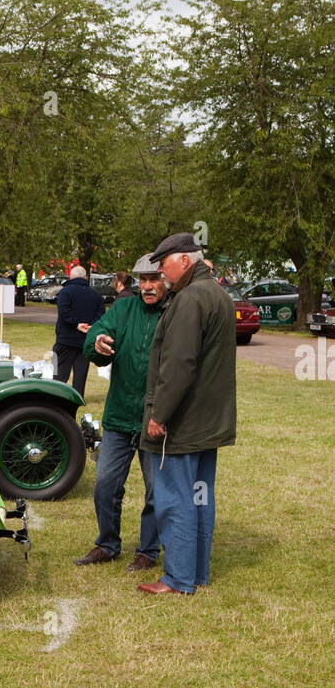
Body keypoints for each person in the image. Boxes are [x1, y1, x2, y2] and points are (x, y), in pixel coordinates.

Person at [137, 232, 237, 597]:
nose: (161, 273)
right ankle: (197, 573)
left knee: (175, 499)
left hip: (182, 426)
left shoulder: (190, 299)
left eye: (163, 264)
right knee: (199, 497)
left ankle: (178, 578)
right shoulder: (219, 295)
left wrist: (160, 415)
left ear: (183, 260)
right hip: (207, 425)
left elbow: (179, 365)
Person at [75, 254, 170, 570]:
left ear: (167, 280)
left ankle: (147, 551)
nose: (147, 286)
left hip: (156, 421)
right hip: (118, 418)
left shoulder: (174, 313)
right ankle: (107, 544)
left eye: (154, 279)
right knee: (104, 484)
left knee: (157, 491)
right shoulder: (124, 308)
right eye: (142, 280)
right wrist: (97, 341)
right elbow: (96, 333)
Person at [54, 265, 105, 396]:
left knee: (59, 372)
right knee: (81, 374)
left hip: (65, 339)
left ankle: (55, 395)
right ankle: (77, 397)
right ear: (86, 278)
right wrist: (91, 326)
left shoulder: (65, 292)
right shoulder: (96, 295)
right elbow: (101, 315)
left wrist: (76, 324)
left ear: (71, 277)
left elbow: (64, 311)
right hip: (85, 341)